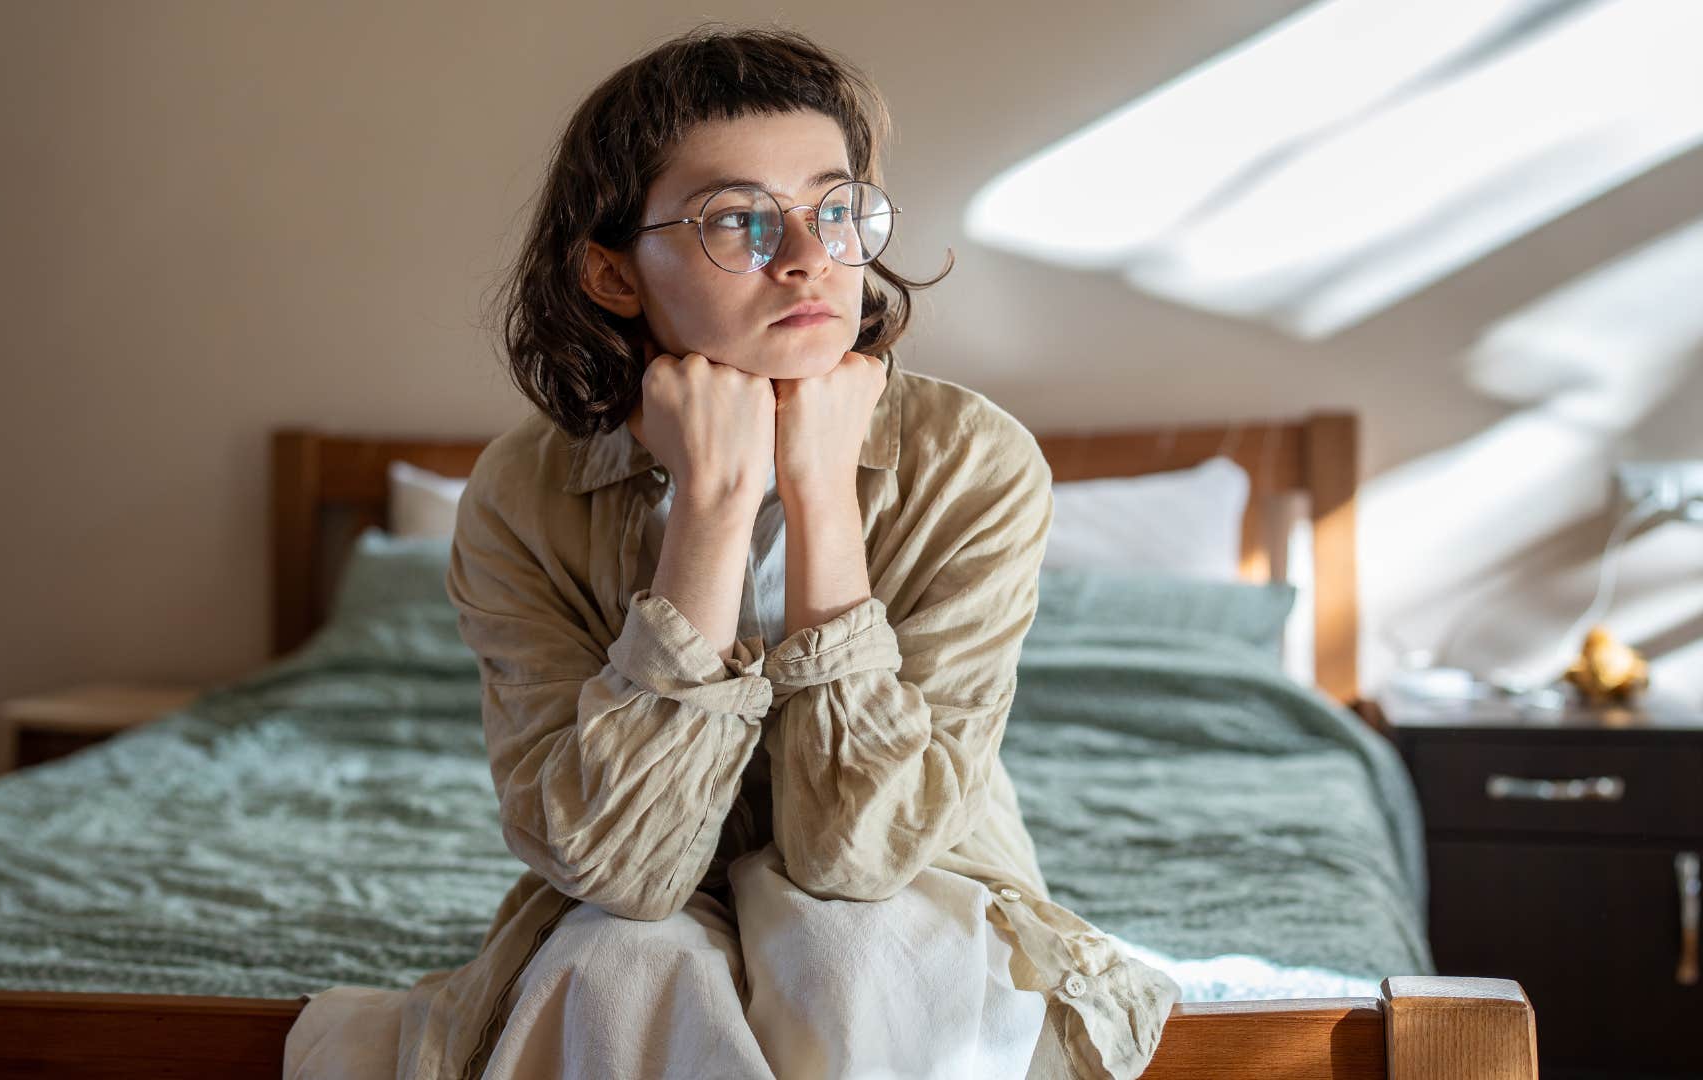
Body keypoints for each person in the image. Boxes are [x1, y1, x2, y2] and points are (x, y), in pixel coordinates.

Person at [285, 22, 1181, 1080]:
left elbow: (859, 857)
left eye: (835, 209)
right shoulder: (523, 494)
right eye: (738, 221)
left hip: (914, 887)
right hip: (637, 902)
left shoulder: (972, 464)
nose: (809, 257)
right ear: (614, 274)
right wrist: (712, 507)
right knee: (621, 961)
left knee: (855, 946)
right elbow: (626, 868)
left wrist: (820, 498)